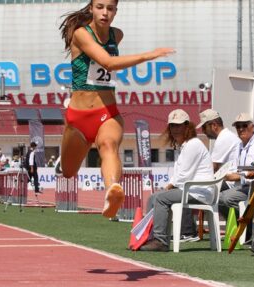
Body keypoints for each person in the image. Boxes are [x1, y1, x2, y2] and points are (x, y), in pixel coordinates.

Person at [59, 0, 175, 218]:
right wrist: (150, 55)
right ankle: (108, 185)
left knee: (109, 145)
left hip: (107, 112)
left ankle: (113, 189)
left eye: (110, 9)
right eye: (100, 7)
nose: (105, 13)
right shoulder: (81, 34)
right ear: (91, 9)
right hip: (78, 117)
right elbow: (108, 63)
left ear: (116, 11)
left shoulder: (116, 35)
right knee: (68, 172)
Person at [140, 109, 214, 252]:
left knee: (160, 198)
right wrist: (169, 185)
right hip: (192, 190)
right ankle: (149, 236)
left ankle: (160, 240)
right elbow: (179, 174)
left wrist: (170, 187)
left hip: (199, 192)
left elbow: (184, 175)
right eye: (172, 126)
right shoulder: (185, 145)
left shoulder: (193, 144)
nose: (175, 129)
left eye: (179, 125)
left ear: (187, 126)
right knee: (153, 198)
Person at [217, 113, 254, 219]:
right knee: (215, 196)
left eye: (244, 125)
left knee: (226, 198)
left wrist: (242, 175)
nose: (241, 129)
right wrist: (226, 174)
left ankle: (244, 226)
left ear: (252, 126)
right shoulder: (239, 145)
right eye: (238, 126)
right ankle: (241, 227)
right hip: (242, 186)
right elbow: (235, 169)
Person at [196, 108, 241, 181]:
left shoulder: (223, 138)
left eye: (204, 127)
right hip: (228, 180)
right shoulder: (225, 136)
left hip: (230, 182)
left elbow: (212, 168)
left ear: (214, 125)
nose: (203, 131)